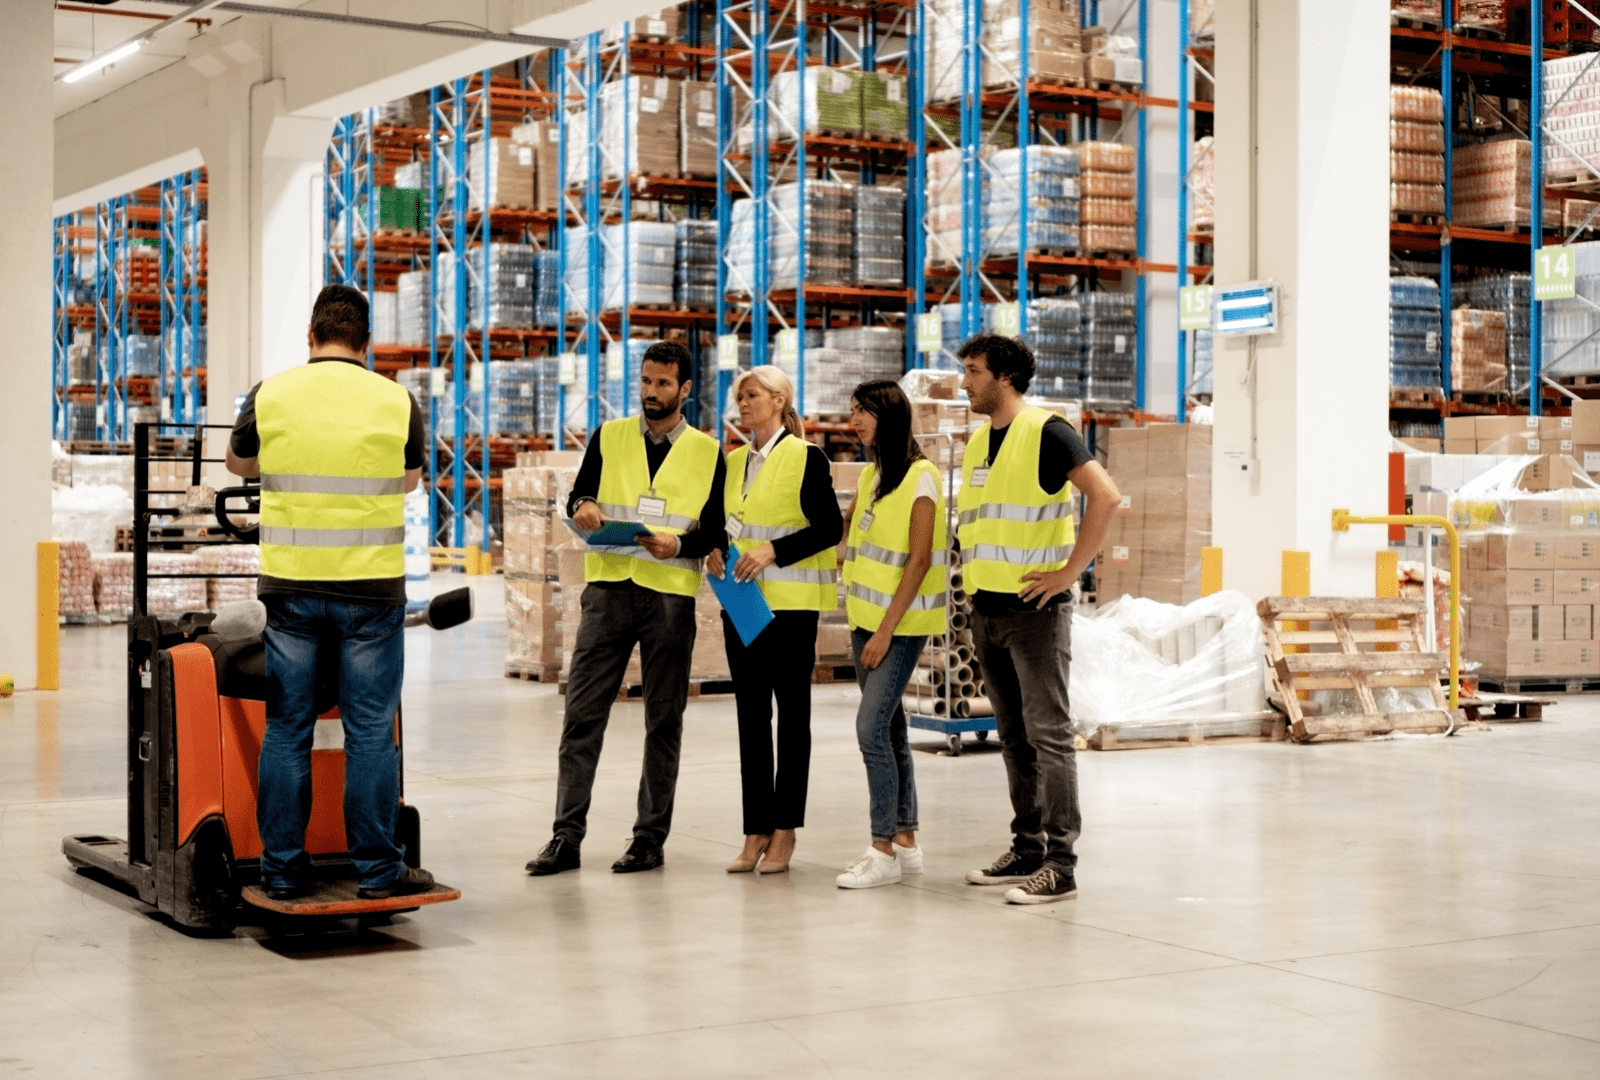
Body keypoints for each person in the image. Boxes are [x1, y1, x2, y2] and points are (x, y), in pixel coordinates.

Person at [225, 284, 435, 901]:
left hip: (291, 589)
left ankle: (283, 873)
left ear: (312, 337)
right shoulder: (397, 400)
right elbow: (411, 479)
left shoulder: (273, 392)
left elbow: (238, 464)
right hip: (370, 590)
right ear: (366, 344)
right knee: (369, 731)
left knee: (287, 727)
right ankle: (376, 872)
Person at [526, 340, 725, 877]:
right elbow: (579, 496)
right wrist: (583, 505)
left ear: (685, 389)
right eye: (645, 382)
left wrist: (679, 546)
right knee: (582, 715)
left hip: (669, 598)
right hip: (609, 591)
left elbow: (715, 530)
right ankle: (565, 838)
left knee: (664, 721)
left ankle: (649, 840)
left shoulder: (709, 452)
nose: (651, 393)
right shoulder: (609, 436)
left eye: (663, 384)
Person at [955, 334, 1120, 905]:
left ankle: (1060, 863)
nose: (965, 382)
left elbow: (1105, 496)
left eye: (974, 371)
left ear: (1003, 377)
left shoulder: (1047, 431)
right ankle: (1026, 847)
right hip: (988, 609)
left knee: (1049, 736)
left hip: (1035, 612)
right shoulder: (980, 442)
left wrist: (1068, 573)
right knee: (1014, 737)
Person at [709, 367, 842, 876]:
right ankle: (755, 828)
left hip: (790, 609)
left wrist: (773, 551)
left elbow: (829, 527)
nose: (742, 403)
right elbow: (719, 525)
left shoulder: (806, 458)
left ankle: (785, 829)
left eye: (752, 395)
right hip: (741, 604)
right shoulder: (734, 461)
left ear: (779, 399)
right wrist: (716, 552)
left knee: (792, 718)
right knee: (749, 718)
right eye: (739, 396)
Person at [834, 380, 947, 890]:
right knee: (891, 728)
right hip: (863, 620)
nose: (854, 420)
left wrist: (884, 631)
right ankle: (906, 841)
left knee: (869, 729)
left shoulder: (922, 477)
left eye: (864, 412)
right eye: (853, 411)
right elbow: (847, 546)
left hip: (898, 627)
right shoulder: (871, 476)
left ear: (890, 416)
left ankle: (880, 850)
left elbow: (920, 560)